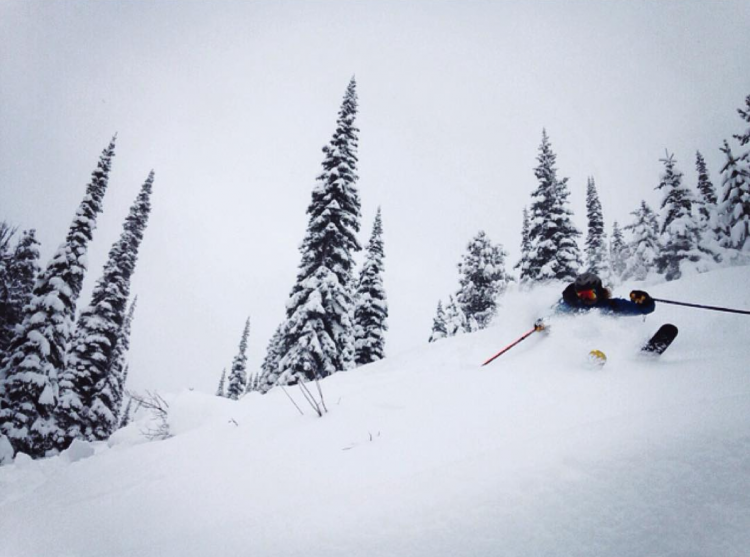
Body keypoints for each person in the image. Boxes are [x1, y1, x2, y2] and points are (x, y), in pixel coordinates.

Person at [556, 272, 655, 316]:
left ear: (599, 292)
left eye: (590, 294)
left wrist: (646, 301)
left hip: (602, 345)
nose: (585, 298)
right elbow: (553, 317)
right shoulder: (571, 304)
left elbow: (645, 309)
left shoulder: (611, 306)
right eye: (581, 295)